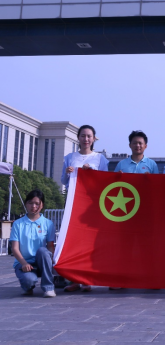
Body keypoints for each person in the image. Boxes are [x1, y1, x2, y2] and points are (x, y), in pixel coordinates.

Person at [61, 125, 108, 293]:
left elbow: (105, 181)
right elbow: (64, 181)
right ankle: (74, 279)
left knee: (89, 242)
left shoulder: (100, 159)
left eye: (89, 136)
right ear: (78, 138)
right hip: (74, 204)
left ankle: (87, 279)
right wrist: (68, 172)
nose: (86, 139)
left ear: (94, 138)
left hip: (92, 205)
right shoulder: (69, 157)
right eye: (83, 136)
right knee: (74, 241)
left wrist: (92, 172)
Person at [9, 190, 56, 297]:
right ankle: (27, 286)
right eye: (30, 203)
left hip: (42, 262)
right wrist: (24, 263)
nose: (33, 206)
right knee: (29, 280)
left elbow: (50, 246)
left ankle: (48, 287)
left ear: (42, 205)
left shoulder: (48, 223)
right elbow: (15, 248)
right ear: (26, 203)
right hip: (24, 263)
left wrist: (53, 263)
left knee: (43, 251)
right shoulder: (18, 224)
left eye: (37, 203)